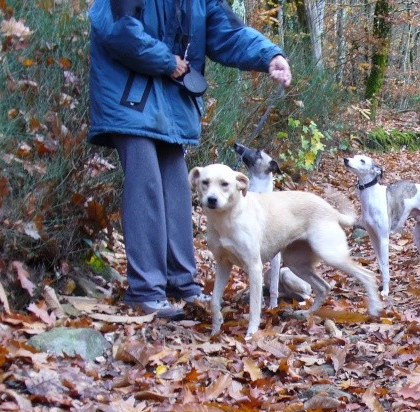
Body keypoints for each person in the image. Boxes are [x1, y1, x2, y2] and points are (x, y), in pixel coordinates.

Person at [88, 0, 291, 319]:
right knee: (146, 186)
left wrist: (270, 55)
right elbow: (118, 30)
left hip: (171, 104)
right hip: (130, 99)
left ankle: (181, 283)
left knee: (178, 190)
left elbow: (228, 33)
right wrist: (166, 61)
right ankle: (145, 290)